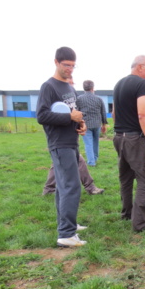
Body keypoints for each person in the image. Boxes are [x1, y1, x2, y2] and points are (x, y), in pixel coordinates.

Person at [36, 46, 88, 247]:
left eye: (73, 66)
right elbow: (42, 116)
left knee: (62, 187)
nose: (70, 69)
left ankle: (68, 224)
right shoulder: (48, 87)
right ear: (56, 62)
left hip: (71, 141)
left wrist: (79, 124)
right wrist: (69, 117)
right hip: (59, 144)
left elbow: (74, 112)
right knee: (71, 186)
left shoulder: (69, 87)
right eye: (66, 65)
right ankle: (66, 234)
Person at [112, 55, 145, 231]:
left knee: (125, 178)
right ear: (140, 67)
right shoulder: (142, 85)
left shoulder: (119, 84)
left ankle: (127, 214)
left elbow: (114, 113)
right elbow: (142, 114)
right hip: (134, 139)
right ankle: (140, 223)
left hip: (118, 137)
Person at [76, 80, 108, 166]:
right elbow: (103, 112)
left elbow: (77, 112)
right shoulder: (99, 99)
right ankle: (95, 158)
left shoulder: (79, 99)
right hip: (97, 123)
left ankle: (91, 162)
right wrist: (104, 124)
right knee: (95, 142)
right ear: (93, 88)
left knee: (88, 144)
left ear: (84, 88)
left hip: (85, 124)